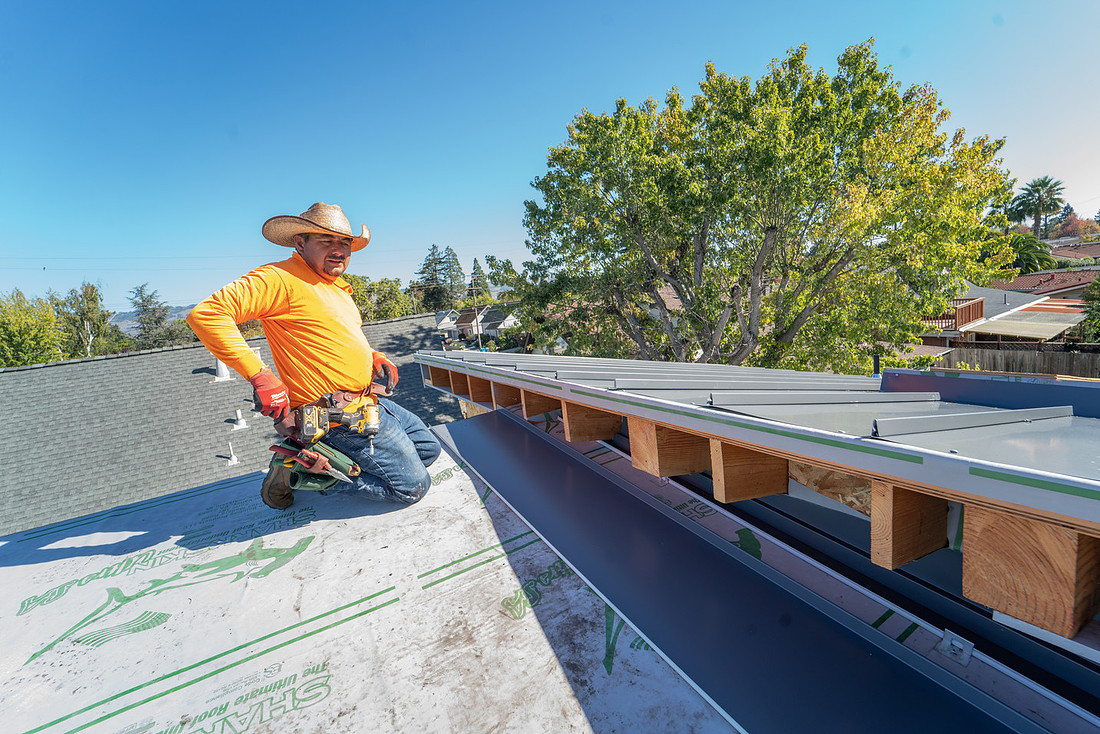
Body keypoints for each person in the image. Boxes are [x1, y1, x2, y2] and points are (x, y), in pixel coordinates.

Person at [187, 202, 441, 510]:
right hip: (335, 419)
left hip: (370, 403)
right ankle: (303, 472)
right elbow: (207, 315)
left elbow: (337, 336)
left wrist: (374, 356)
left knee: (429, 450)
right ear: (300, 242)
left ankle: (320, 460)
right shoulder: (280, 279)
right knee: (412, 487)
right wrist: (261, 375)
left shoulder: (337, 288)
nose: (338, 249)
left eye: (345, 242)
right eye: (326, 240)